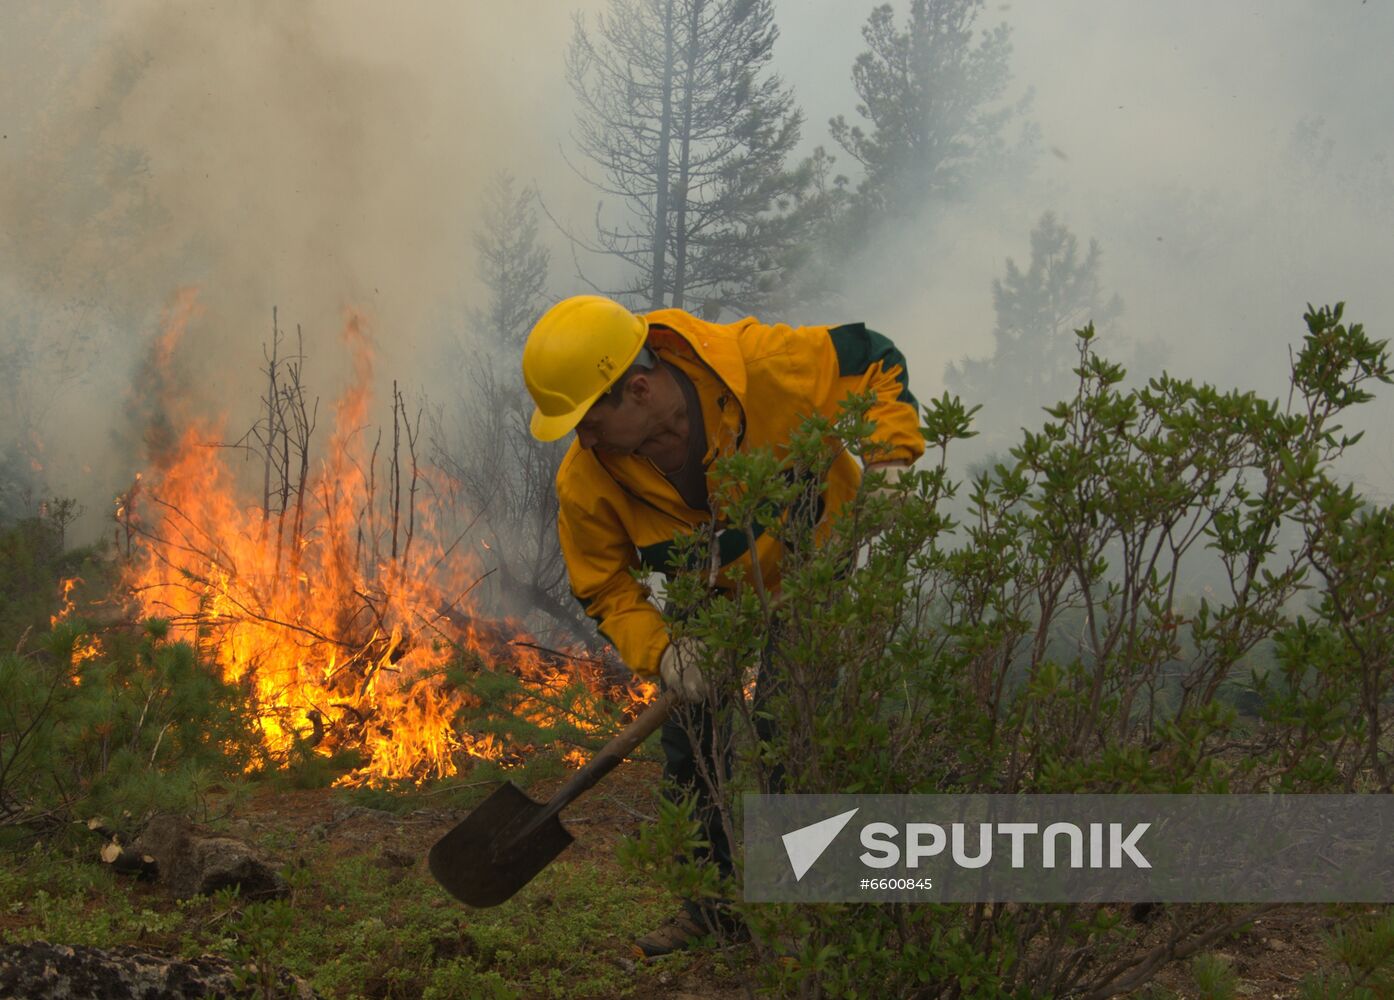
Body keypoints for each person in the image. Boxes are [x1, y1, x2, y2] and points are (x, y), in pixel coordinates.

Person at [521, 294, 924, 956]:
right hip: (711, 585)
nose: (582, 438)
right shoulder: (586, 481)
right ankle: (709, 912)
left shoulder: (763, 367)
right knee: (688, 738)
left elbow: (872, 358)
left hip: (811, 557)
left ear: (640, 388)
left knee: (785, 728)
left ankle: (815, 914)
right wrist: (665, 652)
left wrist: (892, 461)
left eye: (588, 420)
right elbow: (602, 584)